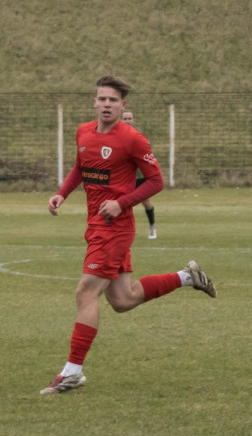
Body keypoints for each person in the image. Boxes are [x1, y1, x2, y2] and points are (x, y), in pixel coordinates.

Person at [41, 75, 216, 395]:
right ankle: (187, 276)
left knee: (85, 293)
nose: (106, 104)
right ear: (94, 102)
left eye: (113, 100)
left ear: (123, 106)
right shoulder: (83, 132)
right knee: (122, 299)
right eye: (102, 99)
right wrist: (62, 194)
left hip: (115, 228)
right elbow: (80, 167)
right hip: (96, 225)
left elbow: (155, 181)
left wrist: (121, 204)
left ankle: (72, 373)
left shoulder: (133, 139)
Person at [121, 109, 157, 239]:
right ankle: (128, 230)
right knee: (124, 203)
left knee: (145, 202)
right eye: (125, 119)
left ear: (133, 120)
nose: (127, 121)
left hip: (140, 177)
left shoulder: (138, 137)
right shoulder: (116, 138)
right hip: (124, 177)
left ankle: (152, 227)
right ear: (121, 120)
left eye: (129, 118)